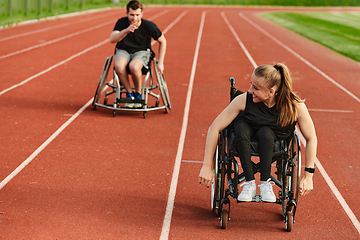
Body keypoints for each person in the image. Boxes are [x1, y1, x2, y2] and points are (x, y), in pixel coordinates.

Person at [198, 63, 317, 202]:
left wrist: (308, 176)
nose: (249, 90)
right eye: (251, 84)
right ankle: (249, 183)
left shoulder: (294, 106)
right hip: (245, 135)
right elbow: (214, 128)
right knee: (240, 128)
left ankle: (266, 183)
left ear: (271, 92)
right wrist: (207, 166)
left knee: (266, 132)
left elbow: (311, 138)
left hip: (272, 139)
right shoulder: (244, 100)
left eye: (255, 88)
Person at [109, 0, 166, 108]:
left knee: (134, 66)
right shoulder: (122, 22)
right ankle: (130, 94)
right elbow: (112, 39)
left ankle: (138, 94)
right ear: (127, 13)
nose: (134, 18)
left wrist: (161, 62)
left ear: (142, 14)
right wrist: (125, 31)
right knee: (119, 65)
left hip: (142, 52)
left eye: (137, 15)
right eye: (131, 15)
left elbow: (163, 41)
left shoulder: (149, 25)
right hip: (124, 50)